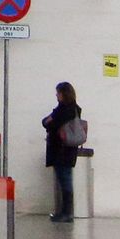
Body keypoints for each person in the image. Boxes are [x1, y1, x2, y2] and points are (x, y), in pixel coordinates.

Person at [42, 81, 82, 223]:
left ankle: (66, 213)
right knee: (66, 179)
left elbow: (48, 122)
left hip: (61, 150)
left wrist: (49, 121)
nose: (56, 95)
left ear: (64, 94)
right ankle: (66, 212)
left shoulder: (62, 110)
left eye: (58, 92)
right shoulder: (75, 109)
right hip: (69, 150)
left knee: (64, 180)